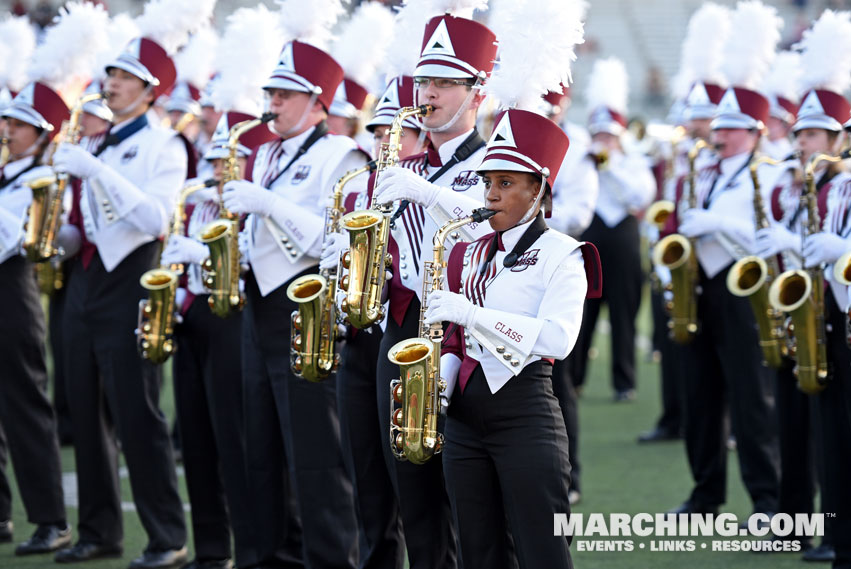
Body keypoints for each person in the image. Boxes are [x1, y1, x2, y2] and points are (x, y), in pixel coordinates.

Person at [426, 108, 601, 568]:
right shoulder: (468, 252)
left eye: (506, 183)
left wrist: (473, 313)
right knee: (477, 554)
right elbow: (456, 342)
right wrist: (441, 383)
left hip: (525, 414)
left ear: (538, 189)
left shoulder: (564, 254)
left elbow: (558, 340)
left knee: (542, 551)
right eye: (489, 183)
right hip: (464, 422)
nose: (491, 193)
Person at [221, 39, 365, 568]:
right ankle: (269, 555)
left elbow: (335, 237)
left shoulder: (341, 154)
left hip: (308, 306)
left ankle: (330, 558)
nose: (272, 104)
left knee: (314, 450)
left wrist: (266, 201)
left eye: (285, 95)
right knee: (259, 445)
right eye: (271, 93)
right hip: (258, 306)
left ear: (317, 101)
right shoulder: (265, 152)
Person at [367, 14, 499, 568]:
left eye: (446, 82)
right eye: (425, 81)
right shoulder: (405, 163)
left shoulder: (497, 161)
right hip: (402, 326)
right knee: (410, 485)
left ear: (477, 93)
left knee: (472, 494)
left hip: (468, 331)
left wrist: (423, 192)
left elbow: (497, 230)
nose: (429, 94)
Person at [52, 37, 189, 568]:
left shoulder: (165, 144)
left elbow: (157, 219)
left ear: (151, 90)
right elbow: (86, 223)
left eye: (125, 77)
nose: (111, 83)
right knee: (83, 411)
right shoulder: (97, 143)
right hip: (84, 280)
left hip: (133, 281)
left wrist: (96, 173)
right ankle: (98, 530)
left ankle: (166, 538)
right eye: (110, 74)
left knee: (138, 414)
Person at [158, 111, 276, 569]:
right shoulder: (195, 200)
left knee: (234, 439)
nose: (216, 172)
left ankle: (248, 549)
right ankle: (210, 549)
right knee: (196, 438)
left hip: (234, 317)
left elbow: (249, 262)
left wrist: (202, 254)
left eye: (229, 163)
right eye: (212, 162)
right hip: (192, 318)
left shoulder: (250, 202)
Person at [321, 74, 427, 569]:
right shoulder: (355, 186)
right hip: (357, 335)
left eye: (397, 131)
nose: (385, 140)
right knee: (363, 467)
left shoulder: (423, 186)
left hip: (403, 333)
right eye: (379, 130)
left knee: (408, 472)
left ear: (422, 136)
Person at [669, 85, 780, 518]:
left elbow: (767, 236)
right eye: (721, 127)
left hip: (743, 289)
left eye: (733, 128)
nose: (722, 136)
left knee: (752, 400)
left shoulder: (769, 173)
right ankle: (705, 494)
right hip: (699, 288)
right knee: (700, 399)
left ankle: (767, 500)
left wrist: (714, 222)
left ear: (755, 131)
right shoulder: (703, 170)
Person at [756, 85, 851, 564]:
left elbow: (829, 247)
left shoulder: (838, 185)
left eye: (814, 134)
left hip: (839, 313)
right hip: (813, 315)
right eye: (800, 134)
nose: (802, 143)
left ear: (838, 140)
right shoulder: (809, 187)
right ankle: (829, 533)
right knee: (821, 432)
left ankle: (836, 534)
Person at [0, 81, 71, 557]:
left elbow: (10, 237)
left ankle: (51, 519)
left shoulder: (39, 181)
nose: (6, 129)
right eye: (6, 121)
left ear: (42, 136)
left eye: (18, 124)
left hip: (12, 296)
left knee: (25, 406)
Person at [569, 57, 656, 402]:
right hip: (591, 238)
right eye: (599, 134)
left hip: (623, 238)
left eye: (609, 135)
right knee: (583, 312)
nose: (603, 140)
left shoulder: (633, 163)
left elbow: (641, 196)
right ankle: (575, 379)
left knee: (625, 314)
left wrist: (612, 167)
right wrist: (591, 164)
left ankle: (625, 383)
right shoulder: (582, 161)